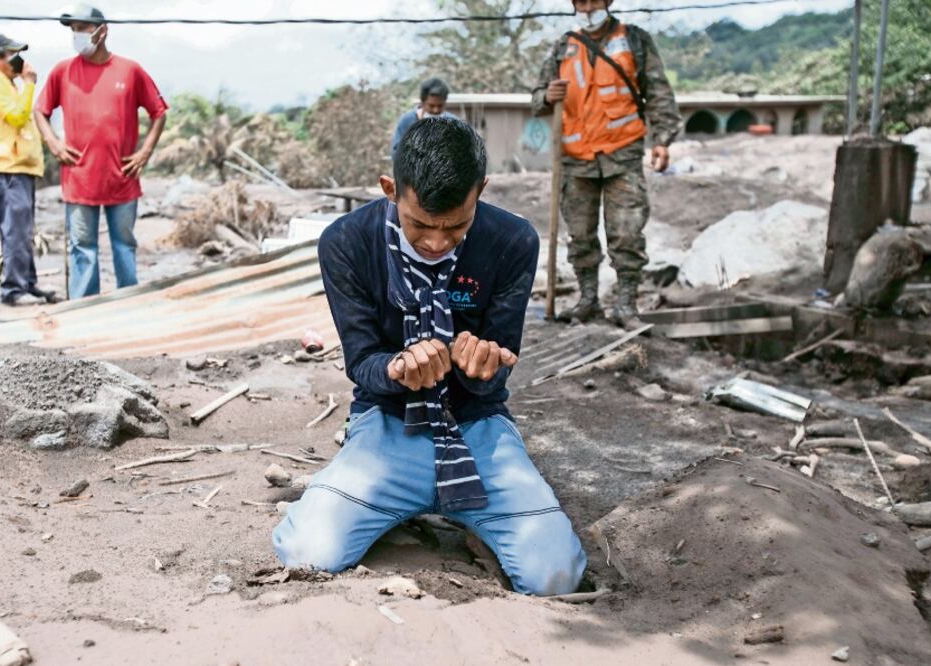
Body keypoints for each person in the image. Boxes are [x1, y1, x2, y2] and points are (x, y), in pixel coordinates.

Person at [273, 118, 586, 597]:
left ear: (480, 191)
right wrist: (397, 370)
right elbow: (363, 365)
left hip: (476, 426)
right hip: (389, 422)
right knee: (308, 554)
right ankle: (400, 495)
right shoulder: (346, 243)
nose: (437, 242)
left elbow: (495, 374)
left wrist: (482, 368)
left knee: (555, 576)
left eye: (457, 226)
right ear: (389, 189)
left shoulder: (512, 241)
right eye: (420, 224)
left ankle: (432, 505)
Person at [531, 0, 681, 328]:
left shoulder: (635, 41)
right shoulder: (562, 47)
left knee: (626, 233)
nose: (586, 7)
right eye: (579, 1)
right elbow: (537, 98)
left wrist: (662, 140)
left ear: (608, 1)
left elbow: (658, 92)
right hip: (575, 158)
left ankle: (626, 305)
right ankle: (588, 301)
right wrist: (546, 96)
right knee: (581, 235)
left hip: (622, 154)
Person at [34, 4, 168, 299]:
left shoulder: (130, 70)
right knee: (83, 248)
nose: (77, 35)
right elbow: (39, 111)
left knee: (124, 244)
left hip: (122, 177)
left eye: (82, 29)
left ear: (102, 31)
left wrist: (144, 153)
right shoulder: (62, 71)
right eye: (73, 30)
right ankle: (84, 307)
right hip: (79, 179)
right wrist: (54, 144)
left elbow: (159, 112)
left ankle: (128, 302)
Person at [0, 33, 56, 307]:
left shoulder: (4, 82)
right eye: (12, 54)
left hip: (17, 168)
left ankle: (27, 284)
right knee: (16, 232)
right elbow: (18, 116)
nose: (18, 60)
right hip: (5, 169)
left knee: (23, 230)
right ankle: (14, 290)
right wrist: (29, 84)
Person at [390, 78, 456, 162]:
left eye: (440, 106)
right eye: (431, 106)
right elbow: (396, 154)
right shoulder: (407, 121)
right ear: (422, 102)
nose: (436, 110)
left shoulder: (454, 123)